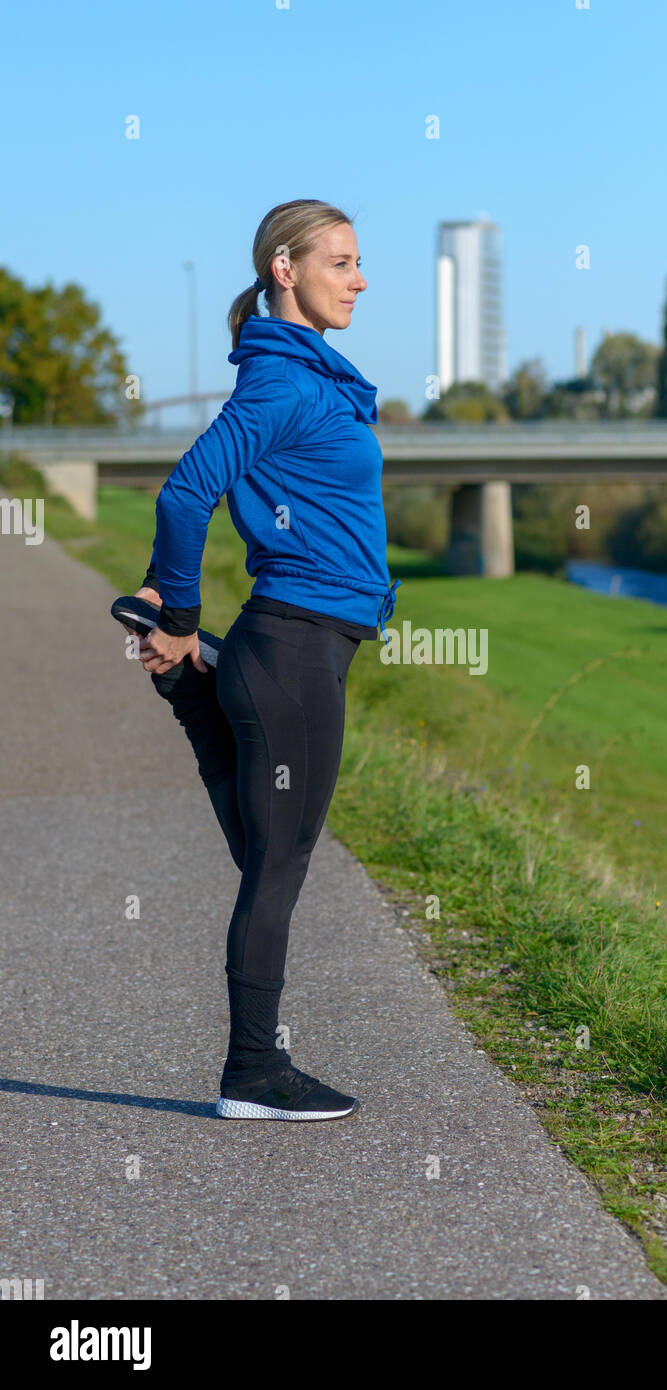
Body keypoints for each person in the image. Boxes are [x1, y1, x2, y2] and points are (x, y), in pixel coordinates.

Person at [116, 199, 399, 1122]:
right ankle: (252, 1073)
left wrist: (186, 625)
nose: (359, 280)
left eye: (359, 264)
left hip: (287, 649)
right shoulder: (281, 384)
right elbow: (186, 491)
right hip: (293, 648)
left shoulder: (302, 377)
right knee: (276, 865)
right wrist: (183, 601)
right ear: (286, 268)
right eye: (343, 262)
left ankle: (187, 676)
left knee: (267, 855)